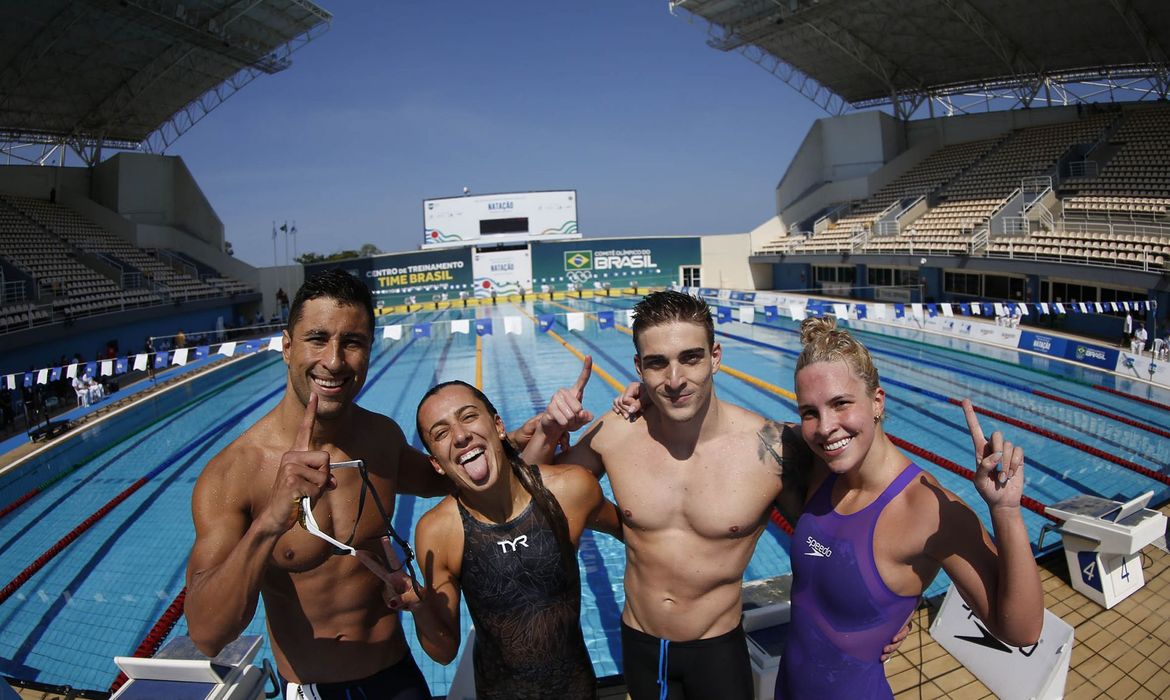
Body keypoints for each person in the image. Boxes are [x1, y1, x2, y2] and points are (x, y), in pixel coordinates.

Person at [185, 269, 550, 698]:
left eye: (352, 342)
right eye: (317, 339)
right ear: (287, 347)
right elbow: (208, 634)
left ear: (369, 352)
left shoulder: (380, 439)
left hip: (396, 678)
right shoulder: (233, 474)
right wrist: (269, 521)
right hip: (312, 688)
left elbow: (455, 481)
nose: (334, 361)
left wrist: (516, 442)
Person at [523, 291, 827, 699]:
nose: (674, 380)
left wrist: (879, 612)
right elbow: (527, 495)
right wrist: (548, 430)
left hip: (718, 650)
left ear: (715, 356)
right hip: (642, 645)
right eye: (657, 363)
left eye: (690, 357)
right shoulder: (616, 433)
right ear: (639, 368)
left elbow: (828, 541)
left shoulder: (773, 448)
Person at [773, 316, 1043, 699]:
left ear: (877, 401)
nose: (825, 427)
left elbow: (1021, 630)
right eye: (809, 412)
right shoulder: (818, 461)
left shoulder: (928, 509)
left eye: (841, 404)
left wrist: (1007, 511)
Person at [406, 380, 621, 699]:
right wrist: (417, 606)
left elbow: (638, 536)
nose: (461, 435)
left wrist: (634, 409)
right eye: (440, 433)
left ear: (498, 425)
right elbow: (444, 651)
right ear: (437, 463)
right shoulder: (438, 530)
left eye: (468, 416)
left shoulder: (569, 490)